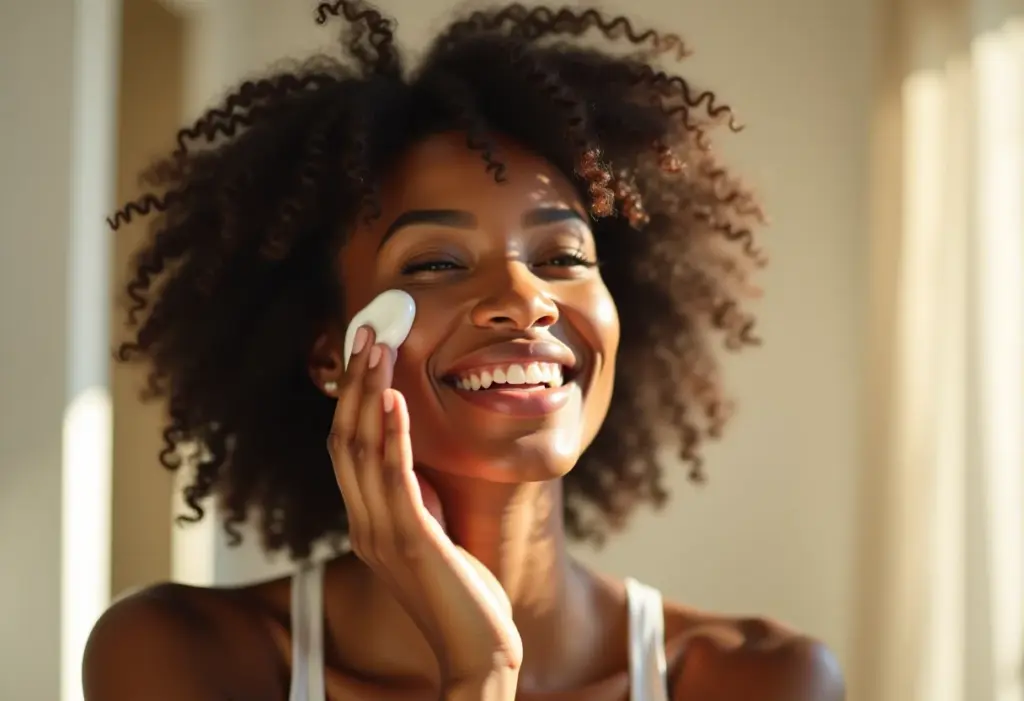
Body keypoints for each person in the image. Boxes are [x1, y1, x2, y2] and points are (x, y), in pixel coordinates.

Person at [83, 2, 844, 700]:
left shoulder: (759, 678)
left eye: (564, 257)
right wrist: (479, 672)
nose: (526, 298)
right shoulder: (182, 658)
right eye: (437, 263)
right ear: (328, 351)